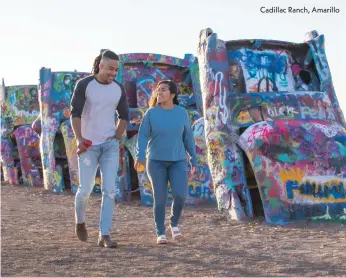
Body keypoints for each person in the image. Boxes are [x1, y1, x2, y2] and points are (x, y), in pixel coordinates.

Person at [70, 49, 129, 248]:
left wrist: (116, 138)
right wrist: (79, 139)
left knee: (110, 190)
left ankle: (104, 234)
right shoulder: (85, 85)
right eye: (110, 69)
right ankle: (80, 221)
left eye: (116, 70)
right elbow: (75, 114)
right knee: (85, 190)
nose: (113, 73)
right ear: (100, 66)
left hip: (109, 146)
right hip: (88, 146)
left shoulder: (118, 88)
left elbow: (124, 116)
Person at [135, 80, 197, 244]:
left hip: (178, 161)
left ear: (173, 94)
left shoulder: (182, 112)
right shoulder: (151, 113)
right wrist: (139, 155)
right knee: (160, 198)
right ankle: (160, 232)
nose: (159, 93)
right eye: (157, 90)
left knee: (180, 195)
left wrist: (194, 159)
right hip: (156, 161)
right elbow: (142, 136)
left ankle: (174, 223)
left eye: (163, 90)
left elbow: (188, 137)